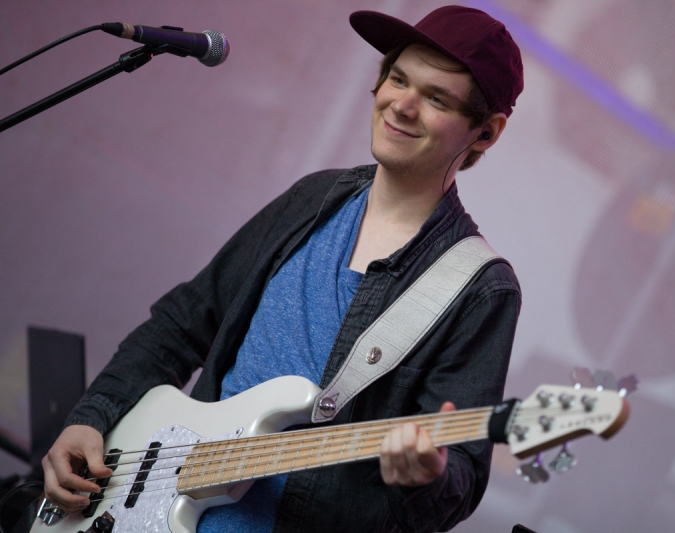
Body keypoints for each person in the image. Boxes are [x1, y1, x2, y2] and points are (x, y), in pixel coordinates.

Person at [41, 5, 524, 533]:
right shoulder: (316, 198)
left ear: (486, 132)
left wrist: (428, 474)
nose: (402, 106)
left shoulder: (480, 288)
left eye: (436, 99)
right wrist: (93, 417)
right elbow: (181, 323)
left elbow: (459, 481)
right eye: (399, 79)